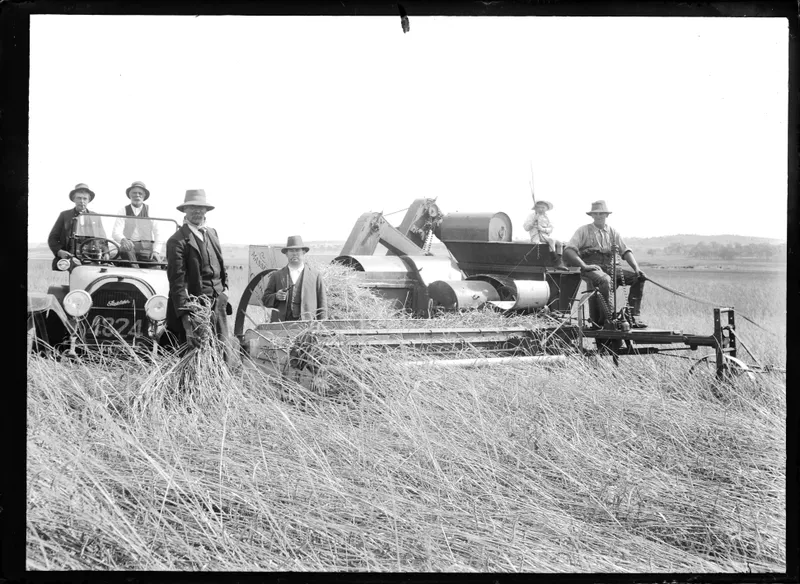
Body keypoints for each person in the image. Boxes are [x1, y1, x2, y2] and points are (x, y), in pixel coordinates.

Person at [165, 189, 235, 358]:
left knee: (222, 353)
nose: (197, 211)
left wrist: (225, 289)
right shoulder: (177, 240)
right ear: (185, 210)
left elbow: (220, 264)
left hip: (218, 304)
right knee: (196, 355)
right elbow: (177, 283)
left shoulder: (212, 233)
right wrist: (187, 321)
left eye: (200, 207)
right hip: (195, 307)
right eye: (192, 207)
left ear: (206, 210)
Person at [563, 200, 648, 329]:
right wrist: (584, 266)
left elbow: (625, 251)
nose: (598, 216)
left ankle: (633, 316)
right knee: (605, 280)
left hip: (609, 267)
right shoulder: (583, 231)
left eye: (601, 213)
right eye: (595, 214)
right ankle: (608, 320)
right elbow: (569, 250)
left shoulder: (613, 232)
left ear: (606, 215)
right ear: (591, 215)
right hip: (592, 268)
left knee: (638, 278)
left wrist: (637, 268)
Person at [262, 236, 328, 322]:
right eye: (291, 251)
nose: (294, 253)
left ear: (303, 252)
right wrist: (276, 296)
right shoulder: (276, 275)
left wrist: (321, 325)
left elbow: (322, 305)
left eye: (297, 250)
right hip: (281, 324)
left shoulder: (315, 276)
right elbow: (265, 300)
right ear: (286, 254)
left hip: (308, 325)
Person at [47, 183, 107, 270]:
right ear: (74, 199)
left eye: (84, 198)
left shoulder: (95, 216)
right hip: (71, 257)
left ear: (88, 200)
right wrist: (60, 252)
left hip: (92, 257)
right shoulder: (65, 215)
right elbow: (52, 238)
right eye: (79, 198)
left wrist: (106, 253)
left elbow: (102, 238)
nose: (82, 201)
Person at [111, 181, 163, 268]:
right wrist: (123, 240)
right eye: (134, 193)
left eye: (140, 193)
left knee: (156, 268)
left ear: (144, 195)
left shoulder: (151, 211)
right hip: (129, 248)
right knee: (125, 249)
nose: (137, 195)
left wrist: (156, 251)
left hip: (146, 249)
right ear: (130, 195)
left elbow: (158, 233)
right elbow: (116, 232)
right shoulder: (123, 210)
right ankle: (135, 270)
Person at [523, 199, 566, 269]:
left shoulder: (548, 217)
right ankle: (555, 262)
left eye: (543, 207)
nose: (541, 209)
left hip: (545, 235)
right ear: (535, 208)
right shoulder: (531, 216)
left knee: (560, 243)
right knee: (551, 240)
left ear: (546, 209)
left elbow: (551, 229)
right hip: (536, 236)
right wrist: (533, 221)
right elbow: (526, 228)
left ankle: (559, 262)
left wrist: (542, 229)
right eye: (539, 207)